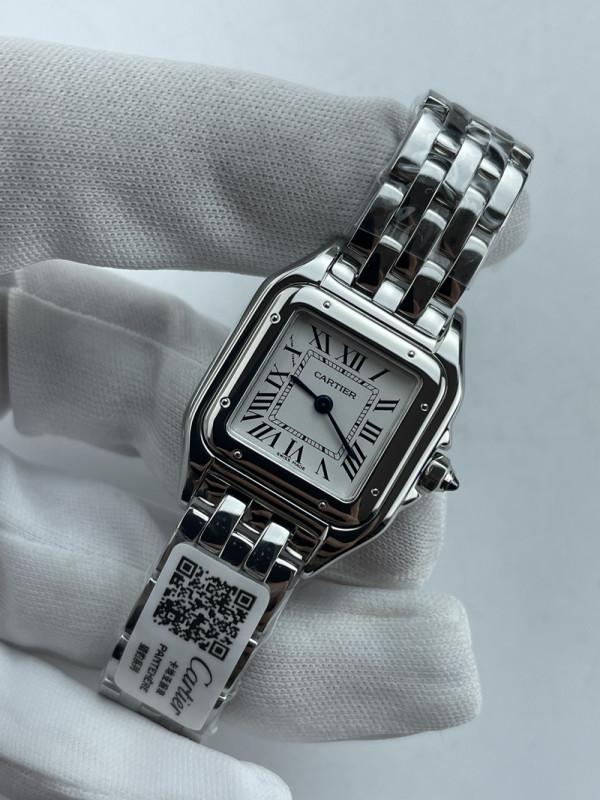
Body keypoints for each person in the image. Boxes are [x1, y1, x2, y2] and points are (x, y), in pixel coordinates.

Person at [0, 37, 528, 799]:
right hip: (237, 474)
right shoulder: (308, 293)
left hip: (292, 513)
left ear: (421, 464)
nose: (325, 402)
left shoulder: (420, 365)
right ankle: (156, 686)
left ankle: (160, 688)